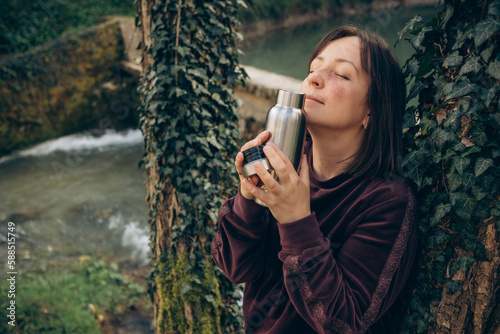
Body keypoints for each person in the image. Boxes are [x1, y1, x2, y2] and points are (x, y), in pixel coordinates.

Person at [211, 25, 419, 334]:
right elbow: (235, 267)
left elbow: (343, 324)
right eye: (314, 68)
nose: (314, 79)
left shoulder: (387, 200)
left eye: (343, 74)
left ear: (373, 108)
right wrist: (250, 197)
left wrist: (296, 220)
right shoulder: (288, 162)